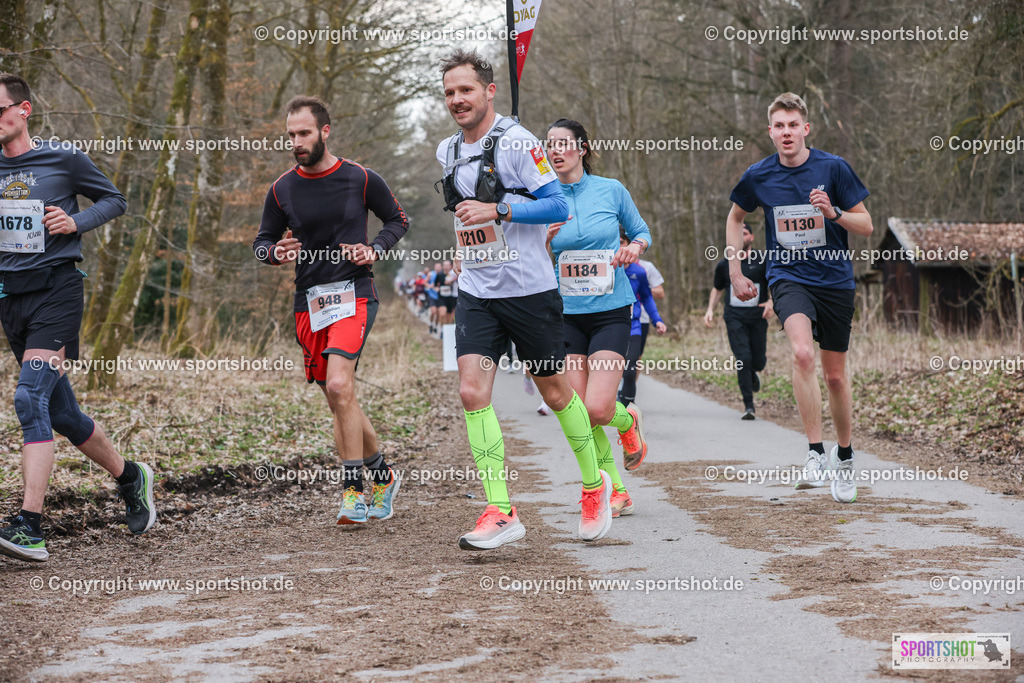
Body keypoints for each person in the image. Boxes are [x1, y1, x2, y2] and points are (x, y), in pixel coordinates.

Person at [436, 49, 613, 549]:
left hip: (530, 291)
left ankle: (595, 485)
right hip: (476, 290)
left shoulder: (518, 143)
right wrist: (463, 242)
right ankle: (499, 508)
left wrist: (499, 209)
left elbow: (556, 202)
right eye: (450, 92)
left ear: (489, 91)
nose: (457, 100)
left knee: (556, 393)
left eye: (466, 90)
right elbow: (464, 212)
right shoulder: (447, 151)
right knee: (472, 392)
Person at [0, 73, 155, 563]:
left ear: (23, 109)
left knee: (29, 400)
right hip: (11, 299)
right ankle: (132, 477)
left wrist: (75, 221)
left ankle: (29, 526)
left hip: (57, 292)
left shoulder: (64, 159)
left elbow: (115, 200)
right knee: (61, 412)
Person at [253, 95, 408, 523]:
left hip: (354, 292)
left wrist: (374, 248)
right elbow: (262, 242)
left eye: (303, 133)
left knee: (341, 386)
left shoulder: (360, 178)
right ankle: (384, 475)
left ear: (324, 131)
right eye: (290, 135)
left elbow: (398, 219)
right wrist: (274, 253)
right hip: (309, 301)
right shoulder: (282, 188)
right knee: (339, 399)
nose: (296, 141)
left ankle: (353, 491)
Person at [727, 92, 872, 504]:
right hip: (788, 278)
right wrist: (736, 270)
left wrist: (834, 214)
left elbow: (866, 225)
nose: (786, 132)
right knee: (802, 354)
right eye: (779, 126)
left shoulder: (834, 168)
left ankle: (844, 458)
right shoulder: (758, 175)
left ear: (805, 129)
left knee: (835, 377)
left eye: (794, 125)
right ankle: (815, 453)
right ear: (770, 131)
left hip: (835, 281)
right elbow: (736, 217)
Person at [545, 119, 651, 517]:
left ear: (582, 148)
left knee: (600, 409)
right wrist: (544, 240)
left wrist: (634, 248)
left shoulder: (610, 190)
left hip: (610, 312)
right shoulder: (542, 197)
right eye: (549, 145)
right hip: (565, 314)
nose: (555, 152)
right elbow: (529, 259)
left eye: (562, 144)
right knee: (580, 412)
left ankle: (626, 421)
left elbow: (642, 232)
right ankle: (617, 491)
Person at [704, 223, 773, 420]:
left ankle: (754, 372)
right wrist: (710, 309)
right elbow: (717, 288)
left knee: (758, 361)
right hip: (734, 318)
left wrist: (771, 302)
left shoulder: (762, 260)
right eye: (736, 233)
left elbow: (776, 283)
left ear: (751, 237)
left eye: (744, 233)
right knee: (743, 359)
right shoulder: (725, 264)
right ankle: (748, 405)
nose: (740, 237)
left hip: (758, 317)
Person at [619, 234, 668, 408]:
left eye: (622, 243)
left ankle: (628, 408)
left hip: (635, 325)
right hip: (610, 326)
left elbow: (648, 298)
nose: (619, 247)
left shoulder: (640, 271)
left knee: (631, 369)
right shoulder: (605, 269)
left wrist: (658, 321)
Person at [426, 262, 443, 334]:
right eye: (437, 267)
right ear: (434, 267)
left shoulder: (443, 274)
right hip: (432, 295)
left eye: (439, 267)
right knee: (433, 311)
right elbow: (424, 282)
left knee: (439, 314)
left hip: (440, 296)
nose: (438, 268)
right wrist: (430, 285)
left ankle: (435, 326)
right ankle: (431, 324)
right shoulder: (431, 274)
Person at [440, 259, 457, 325]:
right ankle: (445, 328)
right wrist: (454, 279)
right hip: (453, 295)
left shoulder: (465, 270)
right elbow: (446, 281)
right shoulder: (452, 272)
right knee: (447, 313)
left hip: (461, 294)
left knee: (454, 314)